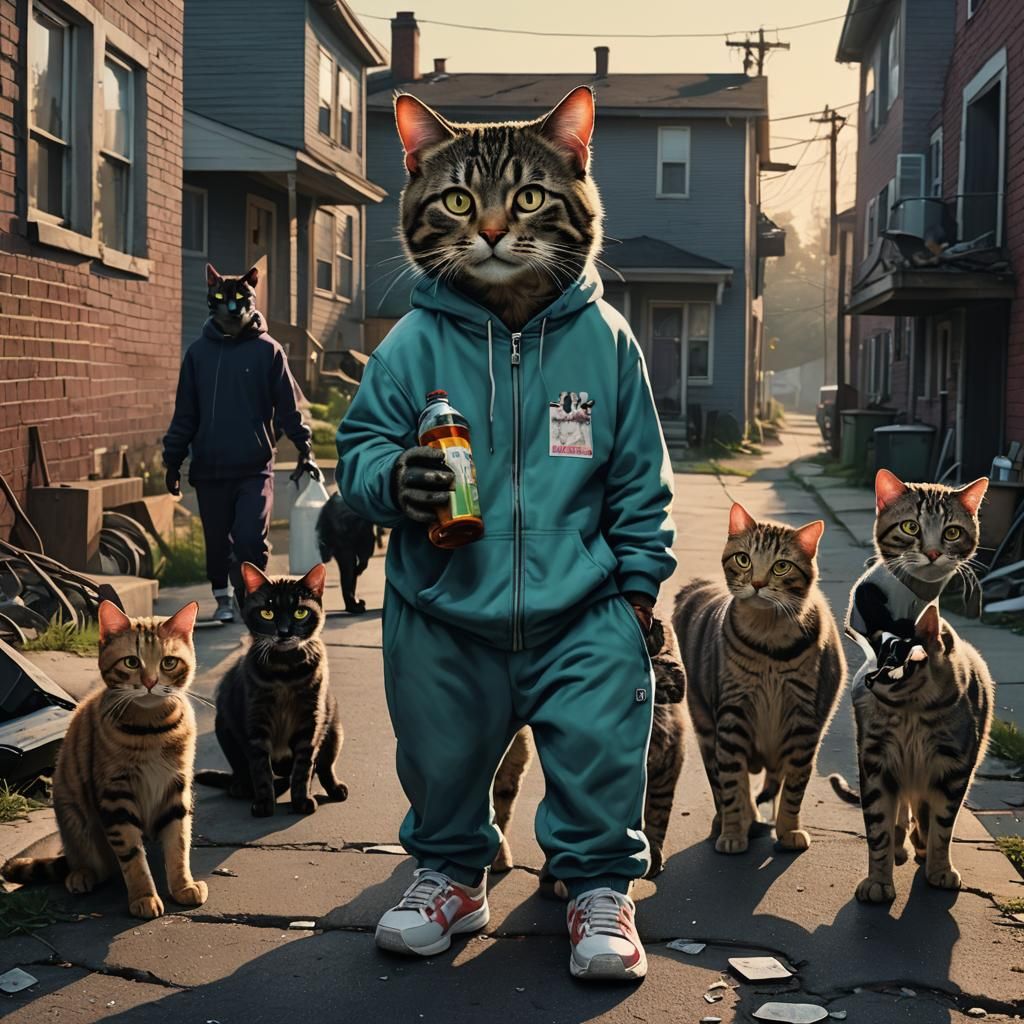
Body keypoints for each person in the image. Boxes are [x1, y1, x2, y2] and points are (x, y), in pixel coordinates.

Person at [338, 87, 675, 980]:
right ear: (417, 184)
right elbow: (358, 452)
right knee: (440, 758)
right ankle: (452, 876)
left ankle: (598, 888)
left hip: (584, 608)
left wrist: (638, 594)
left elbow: (641, 479)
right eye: (459, 201)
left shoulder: (608, 341)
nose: (491, 227)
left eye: (525, 199)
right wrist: (391, 480)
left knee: (602, 753)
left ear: (577, 173)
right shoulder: (410, 344)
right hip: (443, 606)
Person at [163, 263, 321, 622]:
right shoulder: (198, 355)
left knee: (250, 538)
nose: (232, 310)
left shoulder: (269, 351)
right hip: (210, 468)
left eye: (240, 301)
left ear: (252, 299)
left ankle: (250, 597)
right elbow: (185, 413)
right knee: (218, 541)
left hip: (254, 467)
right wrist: (172, 460)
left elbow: (289, 409)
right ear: (212, 300)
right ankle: (222, 597)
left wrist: (305, 448)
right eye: (223, 301)